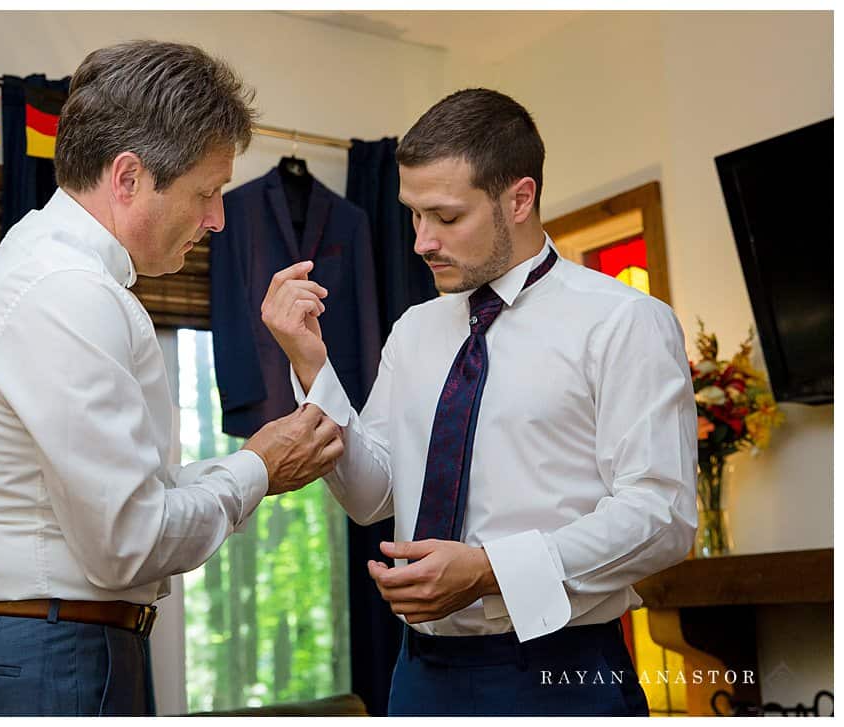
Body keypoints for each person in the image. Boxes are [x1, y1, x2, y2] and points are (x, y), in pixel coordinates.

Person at [0, 40, 343, 717]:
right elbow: (127, 541)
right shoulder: (66, 292)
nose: (216, 219)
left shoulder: (51, 273)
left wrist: (253, 461)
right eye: (206, 191)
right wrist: (257, 468)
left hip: (33, 646)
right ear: (129, 177)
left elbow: (130, 496)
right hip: (41, 661)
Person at [261, 88, 697, 716]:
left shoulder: (624, 321)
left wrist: (491, 569)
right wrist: (310, 361)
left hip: (559, 669)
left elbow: (662, 515)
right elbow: (370, 496)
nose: (421, 242)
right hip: (417, 676)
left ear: (519, 199)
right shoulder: (414, 329)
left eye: (446, 217)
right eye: (413, 215)